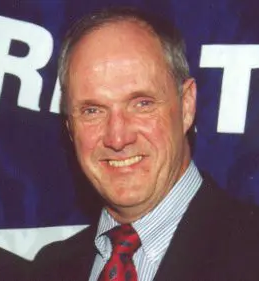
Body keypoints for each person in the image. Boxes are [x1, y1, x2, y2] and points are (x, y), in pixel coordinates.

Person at [33, 6, 259, 281]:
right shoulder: (48, 269)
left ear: (187, 105)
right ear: (69, 126)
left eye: (142, 104)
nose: (118, 138)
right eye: (92, 110)